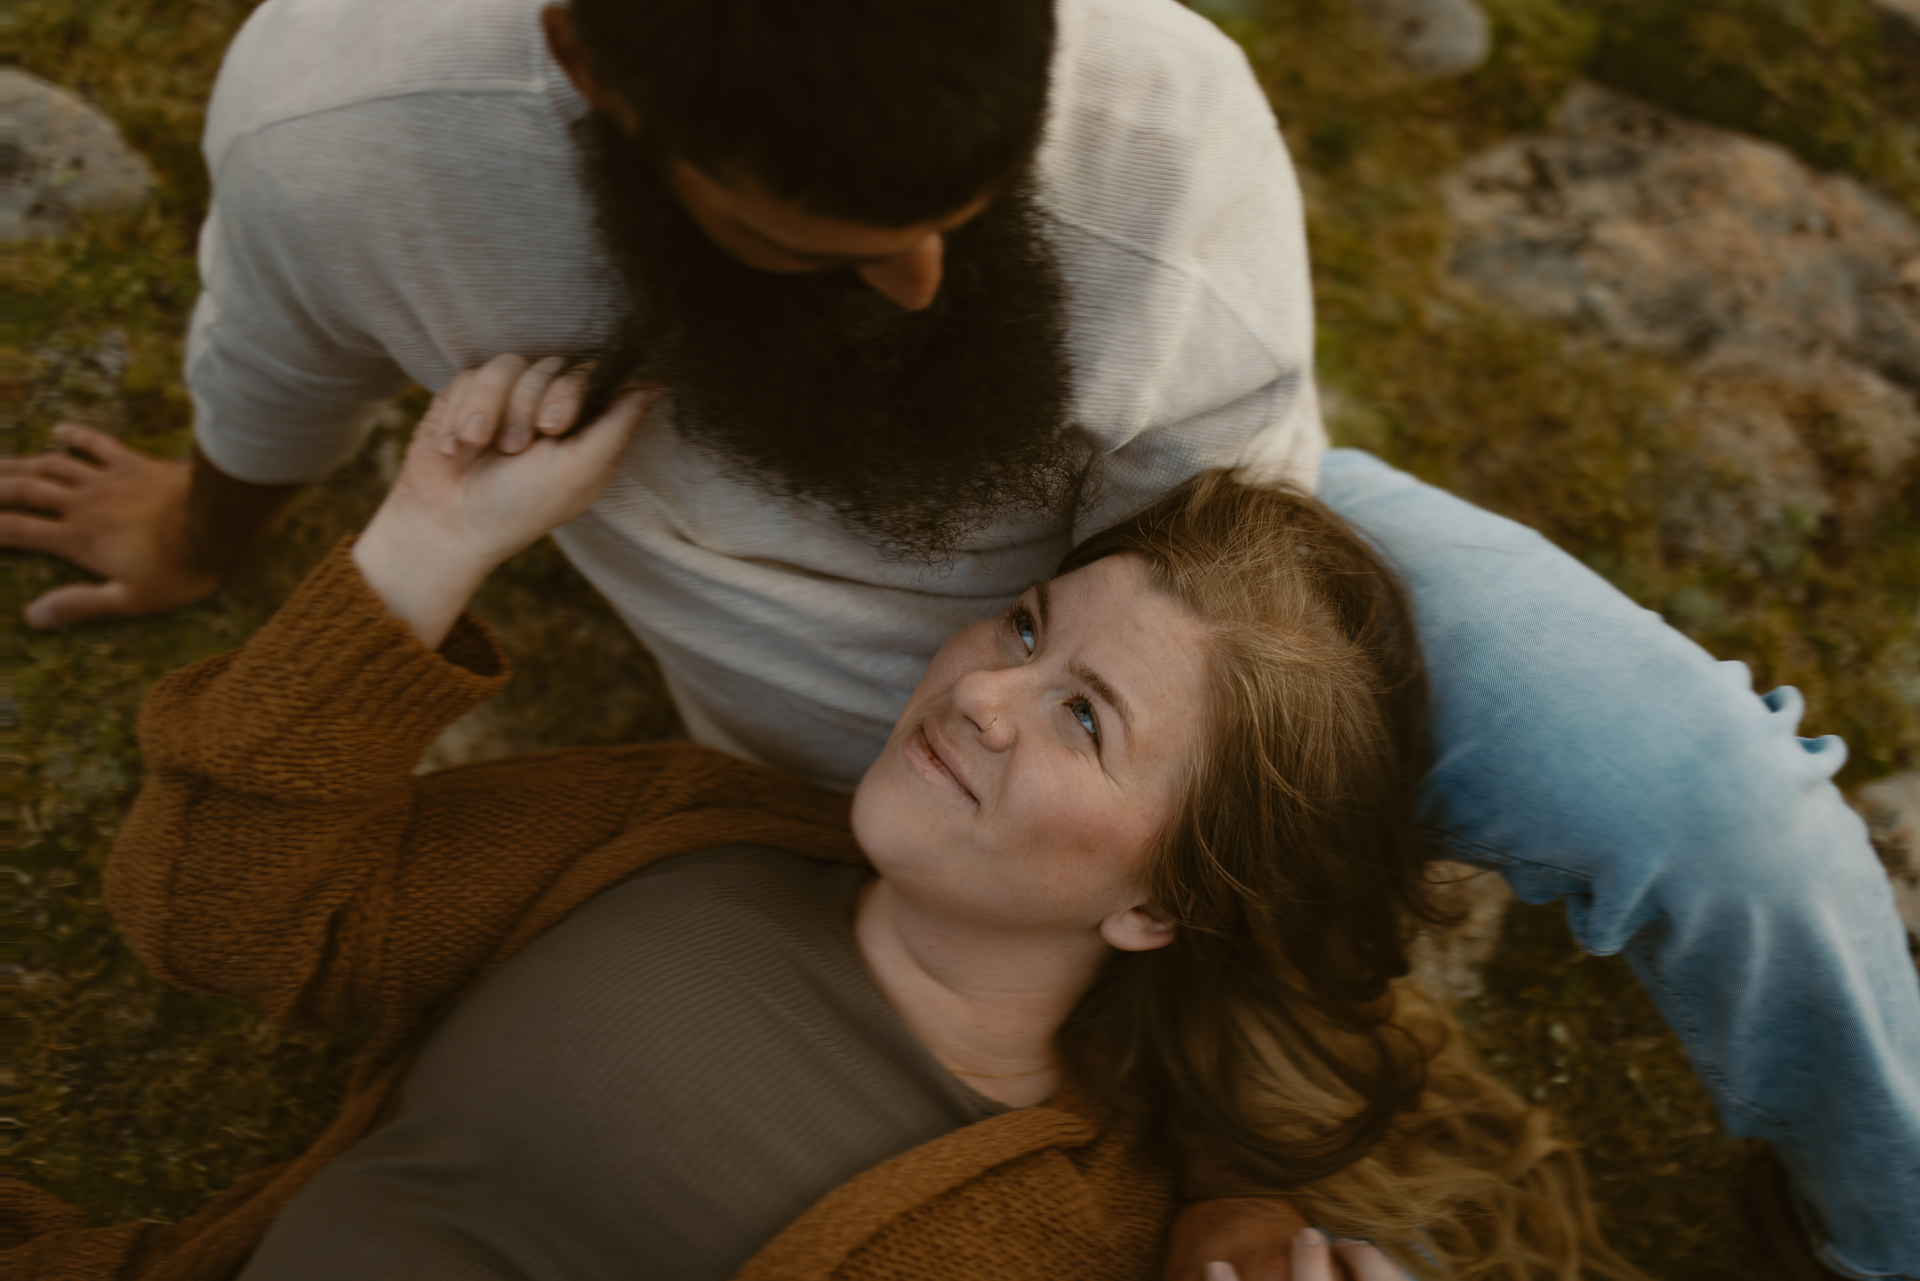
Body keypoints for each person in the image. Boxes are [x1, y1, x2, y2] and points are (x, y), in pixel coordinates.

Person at [1, 0, 1914, 1275]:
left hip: (1184, 587)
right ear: (601, 75)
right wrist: (213, 524)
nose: (922, 281)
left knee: (1731, 814)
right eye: (837, 236)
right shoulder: (353, 129)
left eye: (965, 210)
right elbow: (282, 343)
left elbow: (1212, 610)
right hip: (957, 708)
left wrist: (1234, 1178)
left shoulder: (1165, 129)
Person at [1, 373, 1647, 1281]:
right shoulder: (684, 829)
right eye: (1021, 626)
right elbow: (220, 913)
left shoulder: (1069, 1227)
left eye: (1085, 715)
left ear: (1160, 903)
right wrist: (428, 544)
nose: (984, 693)